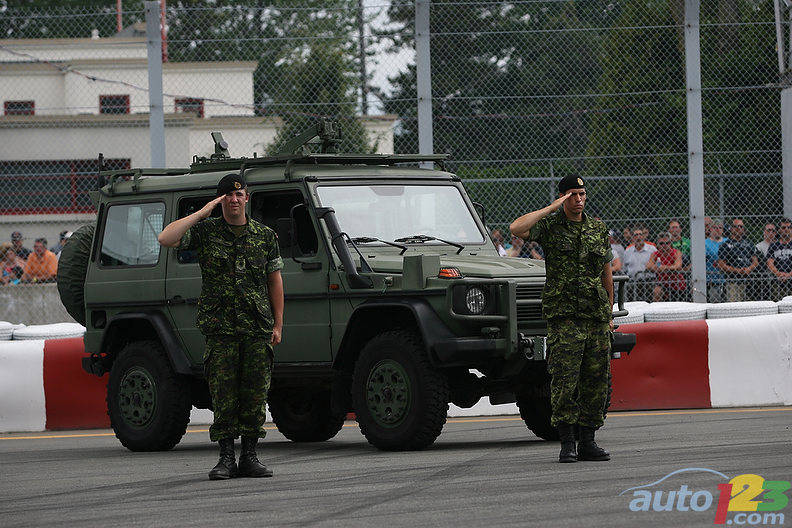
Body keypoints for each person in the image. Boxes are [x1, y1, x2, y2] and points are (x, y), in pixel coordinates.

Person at [158, 173, 284, 481]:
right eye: (228, 195)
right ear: (221, 199)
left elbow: (274, 280)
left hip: (256, 327)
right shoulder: (206, 232)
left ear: (246, 198)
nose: (234, 199)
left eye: (239, 195)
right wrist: (202, 212)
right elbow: (166, 239)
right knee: (223, 393)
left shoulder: (264, 236)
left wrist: (278, 324)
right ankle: (226, 457)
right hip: (220, 328)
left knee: (255, 393)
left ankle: (250, 456)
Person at [510, 174, 612, 464]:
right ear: (563, 197)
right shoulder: (551, 228)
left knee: (595, 379)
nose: (578, 200)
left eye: (581, 194)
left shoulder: (597, 229)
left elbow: (606, 273)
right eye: (572, 195)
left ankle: (588, 441)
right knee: (565, 380)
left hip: (594, 315)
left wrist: (608, 314)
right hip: (565, 317)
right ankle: (567, 442)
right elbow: (516, 228)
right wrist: (552, 207)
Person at [717, 218, 758, 302]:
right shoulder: (725, 245)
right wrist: (737, 270)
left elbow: (755, 262)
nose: (739, 228)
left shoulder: (749, 243)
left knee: (747, 304)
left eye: (741, 226)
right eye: (736, 226)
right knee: (733, 304)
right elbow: (721, 264)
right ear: (731, 229)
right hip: (732, 281)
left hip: (747, 280)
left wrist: (749, 269)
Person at [646, 232, 685, 301]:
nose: (664, 245)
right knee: (657, 291)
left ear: (670, 243)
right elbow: (648, 265)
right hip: (662, 282)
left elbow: (678, 266)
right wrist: (656, 267)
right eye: (661, 243)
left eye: (667, 243)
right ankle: (657, 311)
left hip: (676, 282)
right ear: (658, 244)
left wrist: (665, 267)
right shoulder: (655, 254)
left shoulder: (676, 252)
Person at [622, 227, 657, 301]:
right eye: (635, 235)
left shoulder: (652, 249)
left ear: (644, 236)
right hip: (632, 281)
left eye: (640, 234)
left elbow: (657, 264)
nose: (638, 237)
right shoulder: (628, 251)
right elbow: (624, 268)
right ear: (632, 238)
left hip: (649, 281)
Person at [767, 218, 792, 300]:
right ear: (779, 230)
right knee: (778, 302)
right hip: (777, 281)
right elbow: (770, 263)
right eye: (784, 228)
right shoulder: (773, 245)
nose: (787, 230)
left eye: (789, 227)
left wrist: (789, 275)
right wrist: (778, 274)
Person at [705, 220, 725, 303]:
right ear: (710, 229)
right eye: (715, 227)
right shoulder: (705, 243)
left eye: (720, 227)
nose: (717, 229)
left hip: (726, 279)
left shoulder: (727, 241)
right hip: (711, 279)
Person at [755, 222, 776, 300]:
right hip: (763, 278)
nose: (771, 233)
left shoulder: (778, 245)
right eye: (769, 230)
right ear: (764, 232)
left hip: (775, 277)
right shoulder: (758, 246)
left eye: (773, 231)